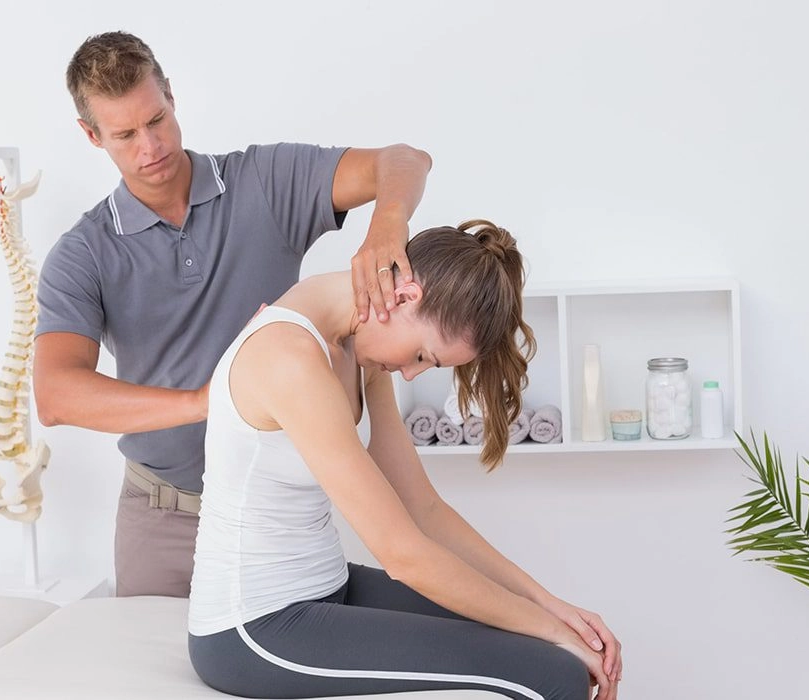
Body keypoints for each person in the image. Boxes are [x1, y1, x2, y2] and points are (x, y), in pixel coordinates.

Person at [33, 31, 432, 598]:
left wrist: (387, 225)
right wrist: (206, 401)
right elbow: (56, 396)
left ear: (170, 94)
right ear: (91, 136)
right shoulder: (84, 253)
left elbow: (405, 160)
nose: (150, 147)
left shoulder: (264, 184)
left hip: (276, 511)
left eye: (157, 120)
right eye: (124, 135)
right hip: (162, 519)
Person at [188, 221, 623, 700]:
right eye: (422, 355)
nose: (413, 375)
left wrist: (551, 608)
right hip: (255, 628)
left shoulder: (359, 348)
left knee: (554, 651)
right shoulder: (289, 358)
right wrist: (551, 631)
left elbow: (423, 509)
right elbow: (404, 556)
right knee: (552, 675)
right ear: (404, 296)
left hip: (328, 587)